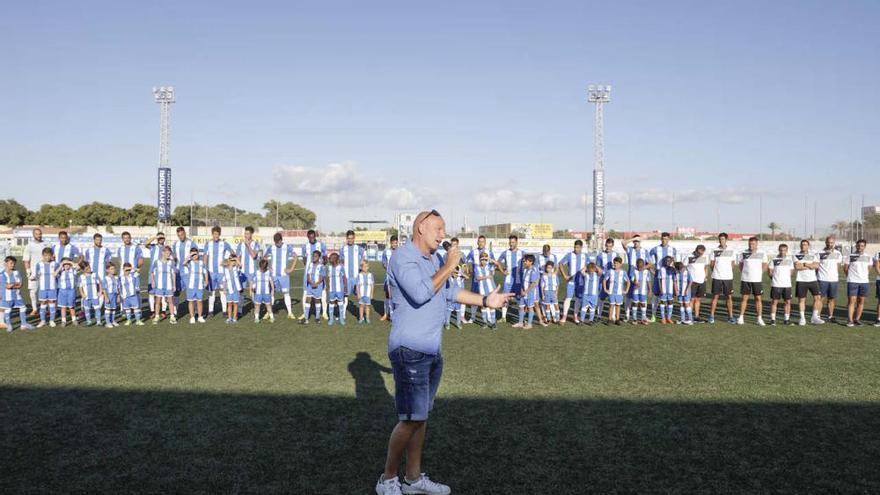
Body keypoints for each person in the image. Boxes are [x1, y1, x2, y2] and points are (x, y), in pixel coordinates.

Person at [376, 210, 511, 495]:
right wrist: (450, 266)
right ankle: (387, 479)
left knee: (420, 417)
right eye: (438, 228)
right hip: (409, 349)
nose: (443, 235)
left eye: (444, 229)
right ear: (420, 228)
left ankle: (412, 479)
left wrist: (487, 300)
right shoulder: (403, 257)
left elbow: (450, 292)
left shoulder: (435, 260)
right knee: (411, 418)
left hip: (431, 350)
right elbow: (421, 292)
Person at [264, 232, 298, 319]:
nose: (276, 244)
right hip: (273, 275)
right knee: (271, 293)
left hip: (284, 276)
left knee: (286, 293)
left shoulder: (287, 247)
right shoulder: (271, 247)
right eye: (275, 242)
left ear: (281, 240)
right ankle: (269, 312)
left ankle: (290, 313)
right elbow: (264, 257)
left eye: (278, 242)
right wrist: (268, 267)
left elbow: (295, 257)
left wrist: (291, 269)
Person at [737, 237, 768, 326]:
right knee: (744, 299)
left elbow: (765, 265)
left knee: (758, 299)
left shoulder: (762, 253)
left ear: (757, 244)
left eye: (753, 244)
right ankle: (741, 317)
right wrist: (745, 273)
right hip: (745, 279)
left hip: (757, 280)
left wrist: (759, 273)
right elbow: (741, 265)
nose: (751, 245)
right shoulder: (744, 253)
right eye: (750, 244)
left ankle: (759, 319)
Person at [464, 235, 494, 323]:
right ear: (477, 242)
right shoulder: (473, 252)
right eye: (479, 241)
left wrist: (492, 272)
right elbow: (465, 261)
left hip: (486, 281)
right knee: (474, 298)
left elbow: (493, 263)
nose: (481, 243)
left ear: (485, 243)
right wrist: (467, 270)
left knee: (487, 298)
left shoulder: (489, 252)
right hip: (476, 280)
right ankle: (472, 317)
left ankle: (488, 317)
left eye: (482, 241)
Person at [708, 233, 737, 324]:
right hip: (717, 277)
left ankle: (730, 316)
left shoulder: (731, 250)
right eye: (720, 239)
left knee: (728, 297)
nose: (721, 241)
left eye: (723, 239)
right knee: (715, 296)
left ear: (726, 239)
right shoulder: (714, 250)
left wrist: (727, 271)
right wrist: (716, 271)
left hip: (728, 278)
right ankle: (711, 316)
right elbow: (712, 264)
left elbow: (733, 263)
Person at [793, 239, 824, 326]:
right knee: (802, 300)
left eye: (805, 244)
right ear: (800, 246)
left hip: (813, 280)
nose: (803, 246)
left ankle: (814, 317)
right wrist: (810, 266)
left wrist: (805, 264)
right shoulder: (796, 255)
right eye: (802, 244)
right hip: (801, 280)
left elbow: (816, 266)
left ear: (808, 246)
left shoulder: (813, 255)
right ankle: (802, 318)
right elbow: (797, 267)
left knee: (817, 298)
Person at [494, 234, 523, 324]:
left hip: (518, 281)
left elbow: (528, 264)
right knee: (505, 298)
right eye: (510, 242)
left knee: (520, 299)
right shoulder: (505, 253)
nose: (511, 244)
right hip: (508, 280)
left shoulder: (522, 253)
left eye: (513, 242)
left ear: (517, 242)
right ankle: (503, 317)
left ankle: (521, 319)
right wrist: (502, 271)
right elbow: (497, 263)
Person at [649, 232, 678, 322]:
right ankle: (653, 315)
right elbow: (649, 261)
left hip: (669, 276)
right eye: (663, 238)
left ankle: (667, 317)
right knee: (656, 296)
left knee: (668, 297)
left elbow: (675, 262)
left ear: (669, 239)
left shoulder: (673, 249)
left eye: (666, 239)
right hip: (659, 276)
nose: (664, 240)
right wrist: (652, 271)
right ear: (660, 239)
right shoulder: (655, 249)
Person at [204, 226, 232, 317]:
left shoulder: (224, 244)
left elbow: (233, 254)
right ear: (212, 234)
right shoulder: (208, 244)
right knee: (211, 292)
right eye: (214, 234)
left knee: (222, 291)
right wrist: (204, 270)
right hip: (211, 272)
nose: (216, 235)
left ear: (219, 234)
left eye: (217, 234)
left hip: (221, 272)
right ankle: (210, 311)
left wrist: (226, 262)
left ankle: (224, 311)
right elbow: (205, 257)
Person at [559, 239, 589, 324]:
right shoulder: (569, 255)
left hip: (580, 282)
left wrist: (585, 268)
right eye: (575, 247)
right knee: (568, 298)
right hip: (571, 281)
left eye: (578, 247)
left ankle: (575, 316)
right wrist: (564, 275)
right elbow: (560, 263)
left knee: (578, 299)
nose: (576, 249)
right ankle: (564, 316)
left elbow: (590, 265)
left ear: (581, 247)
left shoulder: (585, 256)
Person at [843, 239, 871, 327]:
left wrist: (863, 276)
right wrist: (850, 277)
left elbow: (869, 268)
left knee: (861, 301)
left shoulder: (868, 257)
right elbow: (845, 268)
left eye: (862, 246)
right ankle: (850, 320)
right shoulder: (850, 256)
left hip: (864, 282)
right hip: (853, 281)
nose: (860, 247)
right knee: (852, 301)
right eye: (858, 245)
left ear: (864, 247)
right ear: (856, 246)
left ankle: (857, 319)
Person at [301, 230, 328, 320]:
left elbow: (325, 258)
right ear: (308, 237)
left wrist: (321, 268)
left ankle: (324, 313)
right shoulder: (305, 246)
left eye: (313, 237)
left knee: (323, 293)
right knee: (306, 293)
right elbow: (304, 259)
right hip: (308, 274)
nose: (312, 239)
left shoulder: (321, 245)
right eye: (310, 237)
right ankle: (304, 313)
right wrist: (309, 269)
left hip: (319, 273)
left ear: (315, 236)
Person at [816, 236, 843, 323]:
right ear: (825, 242)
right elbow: (816, 266)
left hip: (833, 279)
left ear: (834, 243)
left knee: (831, 299)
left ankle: (830, 316)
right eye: (828, 242)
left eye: (831, 242)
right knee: (820, 299)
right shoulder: (819, 253)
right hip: (822, 279)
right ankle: (817, 316)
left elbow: (838, 266)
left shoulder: (838, 253)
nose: (829, 244)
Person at [235, 226, 260, 318]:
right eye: (245, 233)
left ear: (251, 234)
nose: (246, 235)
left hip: (252, 271)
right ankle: (240, 310)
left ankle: (256, 310)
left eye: (248, 233)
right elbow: (237, 256)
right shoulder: (240, 244)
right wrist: (238, 263)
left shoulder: (255, 244)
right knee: (241, 291)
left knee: (253, 290)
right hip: (242, 272)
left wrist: (248, 245)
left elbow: (253, 256)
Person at [2, 256, 32, 331]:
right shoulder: (2, 274)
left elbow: (20, 284)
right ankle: (9, 326)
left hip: (17, 295)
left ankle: (24, 324)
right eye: (11, 263)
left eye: (14, 264)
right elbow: (7, 286)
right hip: (7, 296)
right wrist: (14, 284)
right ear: (5, 263)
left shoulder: (17, 272)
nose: (12, 265)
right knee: (8, 310)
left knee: (23, 307)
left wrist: (12, 285)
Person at [340, 230, 366, 315]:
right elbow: (341, 263)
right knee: (345, 296)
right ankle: (342, 314)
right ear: (346, 238)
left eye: (352, 238)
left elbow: (364, 261)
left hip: (357, 277)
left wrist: (362, 272)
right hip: (346, 277)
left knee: (360, 296)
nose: (350, 240)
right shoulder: (343, 249)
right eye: (348, 238)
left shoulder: (359, 249)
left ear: (354, 238)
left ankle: (362, 315)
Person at [143, 232, 169, 316]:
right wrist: (155, 236)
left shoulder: (166, 248)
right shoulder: (153, 247)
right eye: (160, 238)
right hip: (152, 271)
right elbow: (146, 243)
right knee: (151, 292)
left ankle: (163, 310)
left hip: (163, 272)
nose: (161, 239)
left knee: (163, 292)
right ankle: (152, 311)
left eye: (162, 238)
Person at [768, 243, 794, 326]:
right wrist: (775, 279)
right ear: (779, 250)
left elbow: (792, 271)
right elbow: (770, 272)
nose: (782, 252)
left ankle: (786, 320)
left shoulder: (790, 260)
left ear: (787, 251)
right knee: (774, 302)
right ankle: (772, 320)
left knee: (787, 302)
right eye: (781, 250)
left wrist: (785, 278)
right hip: (776, 284)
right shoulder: (774, 260)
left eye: (784, 250)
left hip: (787, 285)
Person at [150, 246, 177, 325]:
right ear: (163, 253)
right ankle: (157, 316)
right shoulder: (157, 262)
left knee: (170, 301)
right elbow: (151, 272)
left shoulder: (171, 262)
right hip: (159, 285)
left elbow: (173, 274)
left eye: (169, 253)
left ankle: (172, 317)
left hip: (169, 285)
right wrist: (153, 281)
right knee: (158, 301)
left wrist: (174, 285)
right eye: (166, 253)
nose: (168, 254)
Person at [172, 227, 197, 312]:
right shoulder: (176, 244)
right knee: (176, 292)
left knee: (191, 291)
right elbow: (174, 257)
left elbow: (196, 256)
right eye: (179, 235)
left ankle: (195, 311)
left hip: (188, 272)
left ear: (185, 233)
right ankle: (175, 312)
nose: (181, 237)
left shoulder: (191, 243)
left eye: (182, 235)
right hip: (178, 272)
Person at [625, 235, 649, 321]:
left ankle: (643, 316)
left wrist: (643, 268)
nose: (636, 243)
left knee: (642, 296)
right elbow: (623, 243)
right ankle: (627, 314)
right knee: (629, 296)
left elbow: (650, 263)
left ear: (640, 242)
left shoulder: (645, 251)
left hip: (641, 277)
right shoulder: (630, 250)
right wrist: (633, 238)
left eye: (637, 241)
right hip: (630, 276)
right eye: (635, 241)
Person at [22, 228, 45, 316]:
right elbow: (26, 259)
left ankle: (45, 308)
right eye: (37, 234)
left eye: (40, 234)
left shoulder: (45, 244)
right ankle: (35, 308)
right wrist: (28, 271)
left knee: (44, 290)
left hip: (44, 272)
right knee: (33, 291)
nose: (38, 235)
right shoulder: (29, 245)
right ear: (33, 235)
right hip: (33, 272)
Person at [34, 247, 58, 328]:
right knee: (43, 303)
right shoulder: (39, 264)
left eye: (49, 255)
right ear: (42, 255)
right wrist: (35, 276)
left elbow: (59, 274)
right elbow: (36, 275)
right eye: (45, 255)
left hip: (52, 287)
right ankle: (42, 320)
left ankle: (52, 320)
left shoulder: (55, 264)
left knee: (52, 303)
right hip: (43, 288)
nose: (47, 257)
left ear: (51, 256)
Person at [117, 231, 144, 303]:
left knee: (136, 291)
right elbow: (119, 260)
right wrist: (125, 270)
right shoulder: (120, 249)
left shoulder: (136, 248)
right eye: (124, 238)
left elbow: (141, 261)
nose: (126, 239)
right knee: (123, 291)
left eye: (128, 238)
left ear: (130, 238)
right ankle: (124, 310)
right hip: (123, 274)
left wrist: (135, 268)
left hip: (133, 274)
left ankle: (138, 309)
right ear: (122, 239)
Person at [595, 238, 619, 320]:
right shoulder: (600, 255)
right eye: (607, 246)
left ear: (613, 246)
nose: (608, 248)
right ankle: (599, 315)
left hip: (613, 280)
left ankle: (613, 316)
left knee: (613, 298)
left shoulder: (616, 255)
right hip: (603, 279)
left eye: (610, 246)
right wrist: (599, 269)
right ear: (605, 245)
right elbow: (596, 266)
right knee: (601, 298)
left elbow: (618, 266)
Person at [514, 254, 540, 329]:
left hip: (529, 293)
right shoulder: (525, 269)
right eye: (524, 261)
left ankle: (529, 324)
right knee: (521, 307)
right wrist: (522, 290)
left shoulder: (533, 270)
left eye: (526, 261)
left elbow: (533, 283)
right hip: (523, 292)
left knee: (530, 308)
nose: (524, 262)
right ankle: (520, 323)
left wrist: (526, 292)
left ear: (531, 262)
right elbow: (523, 281)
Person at [183, 247, 208, 324]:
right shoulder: (190, 263)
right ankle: (192, 317)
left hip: (200, 285)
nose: (194, 256)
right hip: (191, 285)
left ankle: (200, 316)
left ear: (198, 254)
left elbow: (205, 272)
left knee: (199, 301)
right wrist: (189, 255)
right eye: (193, 254)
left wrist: (206, 281)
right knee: (191, 301)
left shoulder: (202, 263)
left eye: (195, 254)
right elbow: (184, 263)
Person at [603, 257, 629, 325]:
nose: (615, 264)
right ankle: (609, 319)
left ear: (620, 264)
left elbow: (628, 281)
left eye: (617, 263)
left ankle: (617, 319)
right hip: (611, 292)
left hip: (619, 293)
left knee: (618, 306)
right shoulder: (610, 271)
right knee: (611, 305)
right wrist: (605, 289)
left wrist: (626, 290)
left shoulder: (623, 272)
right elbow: (604, 280)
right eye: (614, 263)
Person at [685, 245, 709, 322]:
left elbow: (706, 267)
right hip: (692, 281)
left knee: (698, 299)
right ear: (696, 250)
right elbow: (684, 267)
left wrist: (705, 276)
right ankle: (690, 316)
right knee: (691, 299)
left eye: (702, 253)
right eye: (699, 253)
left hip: (701, 281)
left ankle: (696, 316)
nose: (701, 254)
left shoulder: (704, 257)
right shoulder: (689, 257)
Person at [475, 252, 497, 328]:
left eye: (485, 260)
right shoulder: (476, 267)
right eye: (482, 259)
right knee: (483, 306)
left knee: (491, 306)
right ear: (479, 260)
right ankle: (485, 323)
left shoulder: (489, 266)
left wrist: (489, 259)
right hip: (482, 290)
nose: (483, 261)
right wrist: (487, 276)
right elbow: (478, 278)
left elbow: (496, 264)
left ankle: (493, 323)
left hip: (491, 289)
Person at [54, 258, 78, 326]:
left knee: (71, 306)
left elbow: (78, 266)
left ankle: (74, 319)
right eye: (65, 264)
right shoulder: (60, 271)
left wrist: (70, 262)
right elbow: (54, 274)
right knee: (63, 307)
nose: (66, 265)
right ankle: (63, 321)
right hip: (62, 291)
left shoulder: (73, 270)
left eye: (68, 264)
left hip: (71, 291)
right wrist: (61, 265)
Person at [302, 250, 324, 324]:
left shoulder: (321, 266)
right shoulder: (310, 265)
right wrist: (311, 282)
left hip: (318, 286)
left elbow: (322, 277)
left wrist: (316, 283)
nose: (313, 257)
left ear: (319, 257)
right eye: (313, 256)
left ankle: (317, 318)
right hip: (310, 286)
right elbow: (308, 275)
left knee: (317, 300)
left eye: (315, 256)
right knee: (308, 300)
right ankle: (306, 318)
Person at [326, 252, 348, 326]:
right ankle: (331, 319)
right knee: (331, 303)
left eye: (331, 258)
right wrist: (328, 288)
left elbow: (344, 278)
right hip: (332, 289)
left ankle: (341, 319)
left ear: (335, 259)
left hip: (339, 289)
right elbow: (328, 278)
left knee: (340, 303)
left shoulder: (340, 267)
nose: (329, 259)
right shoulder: (329, 267)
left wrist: (345, 287)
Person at [78, 261, 103, 326]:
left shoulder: (94, 274)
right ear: (83, 270)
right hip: (86, 297)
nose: (89, 269)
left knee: (97, 309)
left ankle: (99, 321)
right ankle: (89, 321)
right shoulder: (81, 277)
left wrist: (100, 291)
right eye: (87, 269)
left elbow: (99, 283)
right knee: (87, 309)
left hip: (95, 296)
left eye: (89, 268)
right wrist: (82, 294)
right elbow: (80, 287)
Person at [381, 235, 399, 321]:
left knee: (397, 296)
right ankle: (385, 314)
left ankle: (396, 314)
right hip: (388, 277)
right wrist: (388, 268)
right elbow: (383, 263)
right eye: (393, 243)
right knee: (388, 296)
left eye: (396, 243)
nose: (394, 245)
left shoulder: (400, 251)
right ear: (391, 243)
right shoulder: (386, 251)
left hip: (398, 278)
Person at [252, 259, 275, 324]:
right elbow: (253, 281)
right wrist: (252, 288)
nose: (263, 270)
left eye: (264, 268)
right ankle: (256, 318)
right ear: (259, 266)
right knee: (257, 306)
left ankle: (272, 317)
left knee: (268, 305)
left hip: (266, 293)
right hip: (258, 293)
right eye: (262, 268)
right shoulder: (256, 272)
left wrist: (273, 290)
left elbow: (271, 281)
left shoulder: (268, 272)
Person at [220, 256, 242, 324]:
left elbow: (240, 265)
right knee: (229, 304)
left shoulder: (236, 268)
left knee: (235, 304)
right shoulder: (225, 269)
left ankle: (235, 318)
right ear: (229, 261)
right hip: (229, 289)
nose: (234, 262)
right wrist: (224, 289)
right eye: (232, 261)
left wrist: (236, 259)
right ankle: (229, 318)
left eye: (234, 261)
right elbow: (224, 281)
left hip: (236, 289)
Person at [629, 258, 651, 324]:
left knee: (643, 304)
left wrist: (650, 290)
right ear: (636, 265)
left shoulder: (647, 272)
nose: (640, 268)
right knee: (635, 303)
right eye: (638, 267)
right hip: (635, 291)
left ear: (644, 265)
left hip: (644, 291)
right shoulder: (634, 271)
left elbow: (648, 281)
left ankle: (643, 319)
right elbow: (632, 279)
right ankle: (634, 319)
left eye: (641, 267)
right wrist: (635, 282)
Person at [657, 256, 676, 324]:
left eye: (669, 261)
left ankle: (669, 318)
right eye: (667, 261)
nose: (668, 262)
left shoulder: (673, 270)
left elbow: (674, 280)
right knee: (662, 303)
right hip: (663, 290)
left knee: (670, 302)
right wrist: (660, 289)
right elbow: (659, 280)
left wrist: (675, 290)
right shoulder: (661, 269)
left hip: (670, 290)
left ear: (671, 262)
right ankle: (663, 318)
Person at [102, 262, 121, 328]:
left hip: (115, 295)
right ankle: (108, 322)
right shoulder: (105, 278)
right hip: (109, 295)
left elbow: (118, 288)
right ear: (107, 270)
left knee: (113, 308)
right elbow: (104, 289)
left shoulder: (117, 278)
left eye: (114, 268)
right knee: (108, 309)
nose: (113, 270)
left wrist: (118, 296)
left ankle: (113, 320)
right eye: (111, 269)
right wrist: (106, 297)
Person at [356, 260, 374, 325]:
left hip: (368, 294)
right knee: (361, 306)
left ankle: (367, 318)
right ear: (361, 267)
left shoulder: (370, 275)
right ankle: (361, 318)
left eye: (367, 266)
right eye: (364, 267)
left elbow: (372, 285)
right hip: (361, 294)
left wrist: (371, 293)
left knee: (367, 306)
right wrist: (358, 294)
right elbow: (357, 286)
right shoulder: (359, 275)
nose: (366, 268)